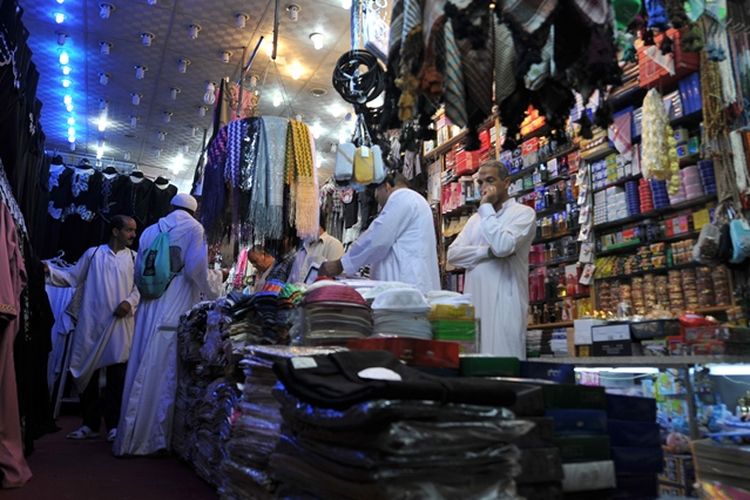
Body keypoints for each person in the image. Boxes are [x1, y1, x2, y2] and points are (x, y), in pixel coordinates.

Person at [114, 194, 224, 456]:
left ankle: (129, 434)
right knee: (162, 371)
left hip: (149, 305)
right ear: (193, 212)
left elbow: (140, 269)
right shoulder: (193, 228)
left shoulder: (151, 230)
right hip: (173, 307)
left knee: (141, 362)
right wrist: (217, 285)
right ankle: (150, 440)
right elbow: (196, 270)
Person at [44, 215, 139, 443]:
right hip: (92, 323)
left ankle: (114, 426)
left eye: (134, 231)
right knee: (87, 374)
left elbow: (140, 287)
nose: (133, 235)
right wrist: (49, 271)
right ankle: (90, 424)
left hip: (119, 324)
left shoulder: (136, 258)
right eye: (129, 230)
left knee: (117, 377)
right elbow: (72, 278)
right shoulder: (94, 254)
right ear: (115, 231)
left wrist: (129, 302)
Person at [447, 160, 536, 359]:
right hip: (475, 303)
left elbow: (503, 246)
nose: (484, 187)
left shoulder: (523, 214)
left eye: (490, 180)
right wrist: (486, 253)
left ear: (506, 182)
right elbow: (453, 255)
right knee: (476, 363)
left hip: (505, 302)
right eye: (480, 182)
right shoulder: (475, 220)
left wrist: (486, 208)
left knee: (504, 360)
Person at [319, 172, 440, 292]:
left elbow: (377, 238)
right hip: (410, 288)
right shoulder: (415, 201)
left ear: (387, 186)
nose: (377, 199)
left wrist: (341, 264)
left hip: (404, 292)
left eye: (377, 192)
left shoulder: (402, 197)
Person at [287, 213, 345, 284]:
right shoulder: (302, 247)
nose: (299, 228)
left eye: (303, 223)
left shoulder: (333, 245)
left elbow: (336, 282)